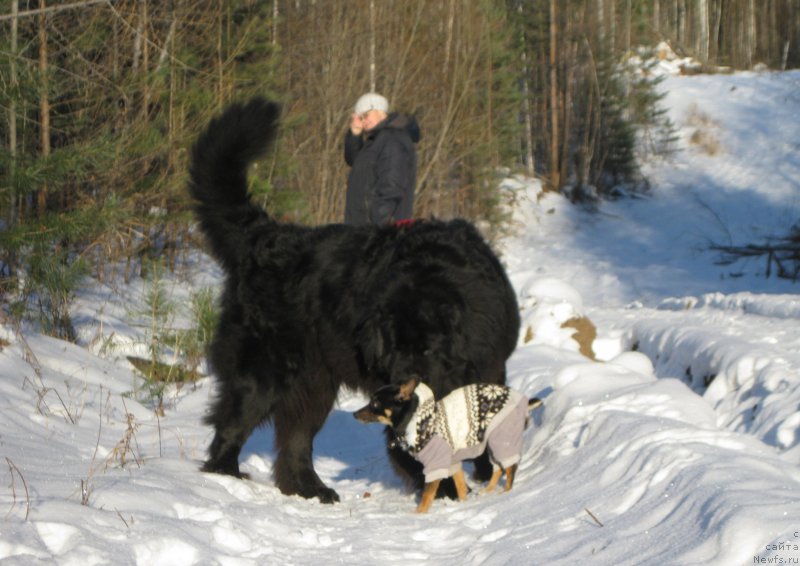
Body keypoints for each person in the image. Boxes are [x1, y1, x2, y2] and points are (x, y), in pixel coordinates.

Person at [343, 92, 420, 226]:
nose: (364, 120)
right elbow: (355, 162)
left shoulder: (393, 139)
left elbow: (391, 185)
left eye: (366, 115)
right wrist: (355, 133)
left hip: (380, 231)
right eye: (360, 118)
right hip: (365, 230)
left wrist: (378, 225)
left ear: (380, 110)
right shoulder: (376, 140)